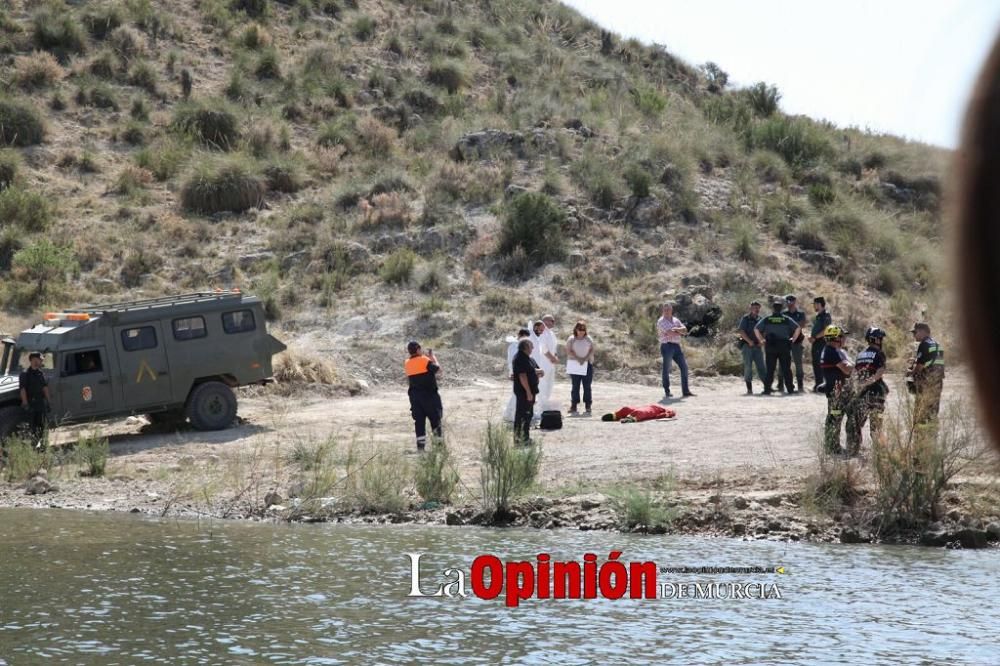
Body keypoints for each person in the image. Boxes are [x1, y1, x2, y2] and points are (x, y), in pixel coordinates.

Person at [845, 326, 889, 456]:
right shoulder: (879, 353)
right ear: (875, 339)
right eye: (880, 339)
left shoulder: (860, 355)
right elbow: (880, 371)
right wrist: (872, 381)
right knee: (876, 425)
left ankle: (854, 449)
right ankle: (880, 452)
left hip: (862, 394)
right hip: (877, 394)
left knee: (857, 423)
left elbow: (856, 373)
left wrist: (860, 386)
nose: (881, 341)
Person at [755, 300, 801, 395]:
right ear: (781, 309)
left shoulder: (767, 319)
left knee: (770, 369)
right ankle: (790, 389)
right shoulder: (786, 319)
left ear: (773, 309)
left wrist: (761, 340)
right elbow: (798, 328)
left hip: (770, 346)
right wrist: (793, 339)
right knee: (786, 369)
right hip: (784, 345)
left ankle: (767, 389)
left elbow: (756, 329)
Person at [819, 326, 854, 454]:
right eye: (842, 336)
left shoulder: (834, 350)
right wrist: (852, 364)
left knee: (836, 417)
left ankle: (834, 446)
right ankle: (832, 447)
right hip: (836, 391)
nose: (844, 339)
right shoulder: (831, 351)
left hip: (838, 390)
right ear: (836, 338)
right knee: (834, 418)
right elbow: (846, 368)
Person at [404, 340, 442, 452]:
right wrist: (433, 357)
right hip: (429, 397)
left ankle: (420, 449)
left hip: (415, 399)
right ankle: (439, 447)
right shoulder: (425, 360)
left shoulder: (407, 363)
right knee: (435, 421)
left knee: (419, 423)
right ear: (418, 349)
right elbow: (439, 370)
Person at [907, 322, 945, 427]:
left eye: (915, 332)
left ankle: (920, 439)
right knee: (933, 413)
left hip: (925, 383)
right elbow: (932, 362)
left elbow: (920, 366)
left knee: (921, 415)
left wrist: (910, 372)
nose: (913, 335)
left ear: (923, 332)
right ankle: (932, 436)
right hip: (938, 383)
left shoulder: (924, 344)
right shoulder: (937, 344)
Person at [657, 303, 694, 399]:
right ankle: (667, 391)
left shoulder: (676, 320)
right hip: (666, 346)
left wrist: (677, 329)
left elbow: (685, 330)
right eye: (665, 310)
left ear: (671, 310)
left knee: (684, 367)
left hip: (676, 346)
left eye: (668, 309)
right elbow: (670, 333)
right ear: (662, 311)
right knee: (666, 369)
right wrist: (679, 332)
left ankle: (685, 391)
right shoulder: (661, 321)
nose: (666, 311)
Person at [511, 338, 540, 445]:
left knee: (528, 414)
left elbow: (537, 371)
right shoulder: (520, 358)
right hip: (524, 392)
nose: (533, 348)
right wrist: (528, 392)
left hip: (531, 390)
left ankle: (525, 438)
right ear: (526, 346)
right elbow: (522, 376)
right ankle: (520, 439)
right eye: (531, 345)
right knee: (522, 415)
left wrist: (538, 373)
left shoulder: (529, 359)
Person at [19, 351, 50, 447]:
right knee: (33, 426)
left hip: (41, 403)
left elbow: (45, 388)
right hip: (31, 403)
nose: (41, 362)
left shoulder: (40, 373)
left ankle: (43, 446)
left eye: (41, 360)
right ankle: (33, 446)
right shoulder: (25, 374)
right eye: (39, 360)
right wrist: (25, 403)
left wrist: (48, 402)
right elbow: (23, 389)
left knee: (43, 425)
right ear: (33, 360)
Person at [736, 301, 766, 395]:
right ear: (750, 308)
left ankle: (767, 387)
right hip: (747, 346)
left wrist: (762, 341)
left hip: (757, 346)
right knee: (748, 367)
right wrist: (749, 341)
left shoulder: (761, 319)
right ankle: (749, 389)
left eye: (757, 308)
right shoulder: (746, 318)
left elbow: (764, 331)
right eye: (754, 308)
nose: (756, 310)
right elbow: (741, 331)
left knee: (761, 367)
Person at [566, 321, 595, 415]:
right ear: (576, 329)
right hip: (575, 365)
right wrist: (578, 359)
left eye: (583, 329)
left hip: (587, 365)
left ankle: (588, 405)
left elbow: (592, 350)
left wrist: (585, 359)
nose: (582, 331)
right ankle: (574, 404)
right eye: (580, 329)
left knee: (587, 386)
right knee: (575, 386)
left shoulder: (588, 339)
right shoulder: (571, 339)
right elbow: (569, 351)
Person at [503, 329, 531, 423]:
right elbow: (512, 361)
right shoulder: (514, 346)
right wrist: (513, 373)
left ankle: (512, 414)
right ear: (520, 335)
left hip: (520, 372)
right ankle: (510, 414)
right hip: (516, 373)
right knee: (516, 395)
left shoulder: (521, 346)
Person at [782, 295, 807, 393]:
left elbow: (802, 325)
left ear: (795, 302)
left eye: (791, 301)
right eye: (788, 301)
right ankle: (782, 383)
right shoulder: (783, 313)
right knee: (783, 363)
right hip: (785, 341)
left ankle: (800, 384)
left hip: (797, 341)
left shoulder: (800, 314)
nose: (789, 303)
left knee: (798, 363)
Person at [808, 297, 833, 393]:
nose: (814, 306)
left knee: (820, 364)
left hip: (821, 343)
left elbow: (827, 330)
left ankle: (821, 385)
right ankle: (818, 384)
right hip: (816, 343)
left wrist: (815, 337)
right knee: (816, 363)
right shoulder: (818, 316)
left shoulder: (825, 315)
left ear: (819, 304)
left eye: (814, 304)